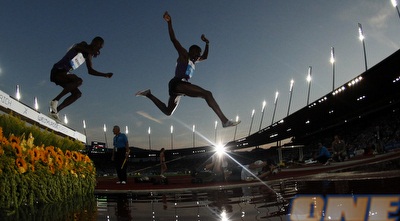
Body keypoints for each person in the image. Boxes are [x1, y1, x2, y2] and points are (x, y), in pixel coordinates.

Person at [135, 11, 240, 128]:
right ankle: (224, 120)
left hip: (180, 88)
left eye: (197, 55)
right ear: (190, 51)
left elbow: (205, 57)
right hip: (177, 83)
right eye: (195, 53)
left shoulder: (194, 60)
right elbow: (173, 40)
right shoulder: (184, 54)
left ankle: (149, 95)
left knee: (168, 112)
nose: (197, 56)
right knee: (207, 94)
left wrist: (207, 43)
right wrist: (169, 22)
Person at [49, 36, 113, 121]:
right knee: (79, 81)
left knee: (77, 94)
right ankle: (55, 100)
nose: (98, 49)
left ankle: (54, 112)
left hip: (64, 76)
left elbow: (90, 71)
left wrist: (104, 75)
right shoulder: (83, 44)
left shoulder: (88, 55)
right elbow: (77, 47)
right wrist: (91, 51)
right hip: (58, 70)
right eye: (98, 46)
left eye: (100, 48)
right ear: (94, 42)